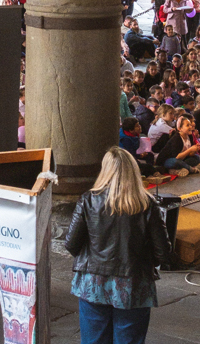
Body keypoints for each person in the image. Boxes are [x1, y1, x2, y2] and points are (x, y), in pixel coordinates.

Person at [64, 147, 171, 344]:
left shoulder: (89, 200)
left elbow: (71, 244)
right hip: (134, 284)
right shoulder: (147, 204)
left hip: (93, 283)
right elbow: (163, 253)